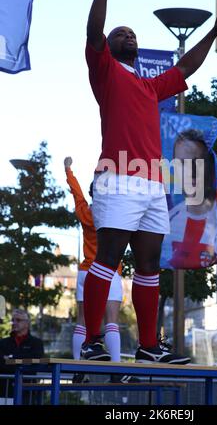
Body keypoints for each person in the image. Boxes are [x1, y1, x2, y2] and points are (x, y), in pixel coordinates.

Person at [82, 0, 217, 364]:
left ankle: (149, 346)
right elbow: (93, 33)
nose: (128, 36)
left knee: (148, 265)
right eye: (121, 34)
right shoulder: (106, 71)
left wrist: (213, 34)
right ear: (109, 47)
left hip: (152, 185)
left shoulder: (150, 86)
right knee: (109, 258)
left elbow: (185, 69)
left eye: (132, 34)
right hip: (117, 177)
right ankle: (91, 340)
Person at [64, 157, 123, 366]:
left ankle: (77, 368)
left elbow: (77, 195)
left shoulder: (86, 213)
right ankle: (116, 369)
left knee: (82, 321)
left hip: (86, 272)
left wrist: (68, 171)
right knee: (112, 322)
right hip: (109, 271)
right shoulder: (116, 214)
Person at [162, 129, 217, 270]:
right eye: (183, 163)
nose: (192, 171)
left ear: (208, 165)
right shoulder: (169, 220)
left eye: (197, 162)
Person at [0, 309, 44, 399]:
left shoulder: (36, 343)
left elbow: (36, 360)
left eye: (18, 320)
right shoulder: (3, 343)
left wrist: (11, 358)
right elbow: (1, 363)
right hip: (5, 390)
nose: (14, 323)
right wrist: (22, 361)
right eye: (13, 320)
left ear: (27, 323)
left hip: (27, 391)